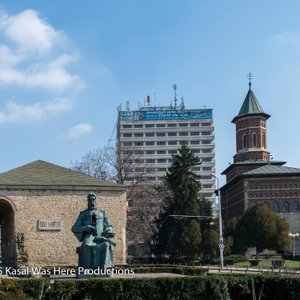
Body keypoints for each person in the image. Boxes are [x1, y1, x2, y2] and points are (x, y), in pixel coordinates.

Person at [72, 192, 116, 272]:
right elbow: (75, 228)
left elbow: (108, 225)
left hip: (101, 237)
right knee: (86, 245)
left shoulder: (102, 213)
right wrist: (85, 228)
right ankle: (87, 269)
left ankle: (104, 268)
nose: (92, 202)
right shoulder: (82, 214)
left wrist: (108, 232)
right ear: (87, 201)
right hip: (89, 237)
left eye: (93, 200)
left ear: (95, 200)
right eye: (90, 200)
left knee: (106, 244)